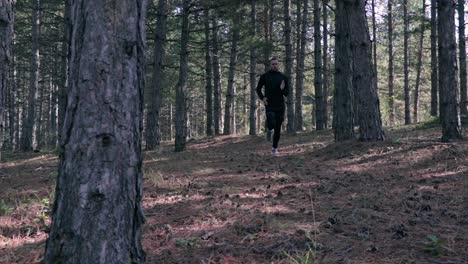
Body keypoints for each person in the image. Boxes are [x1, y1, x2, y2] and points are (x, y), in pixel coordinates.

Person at [256, 57, 289, 154]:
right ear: (270, 65)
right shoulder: (265, 76)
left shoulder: (283, 77)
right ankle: (269, 129)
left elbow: (287, 93)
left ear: (279, 65)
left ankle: (274, 148)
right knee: (271, 119)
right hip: (269, 104)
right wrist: (263, 98)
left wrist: (282, 89)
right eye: (273, 64)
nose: (275, 65)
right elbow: (258, 89)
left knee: (278, 128)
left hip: (280, 105)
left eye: (276, 64)